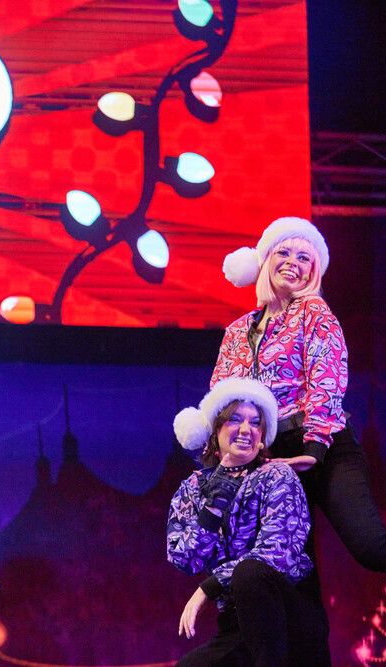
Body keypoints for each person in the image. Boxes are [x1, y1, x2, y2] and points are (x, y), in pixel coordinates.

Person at [214, 216, 386, 571]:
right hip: (272, 459)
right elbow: (222, 396)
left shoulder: (313, 311)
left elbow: (328, 376)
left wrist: (314, 447)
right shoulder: (236, 331)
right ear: (265, 260)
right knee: (291, 570)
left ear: (314, 270)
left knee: (371, 546)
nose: (293, 263)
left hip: (324, 444)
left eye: (304, 257)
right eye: (285, 252)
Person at [168, 378, 330, 665]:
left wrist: (211, 585)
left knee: (250, 573)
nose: (246, 430)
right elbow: (184, 557)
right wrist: (216, 498)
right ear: (214, 429)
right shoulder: (193, 488)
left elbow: (276, 552)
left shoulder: (277, 476)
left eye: (256, 423)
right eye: (235, 420)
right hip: (236, 624)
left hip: (287, 612)